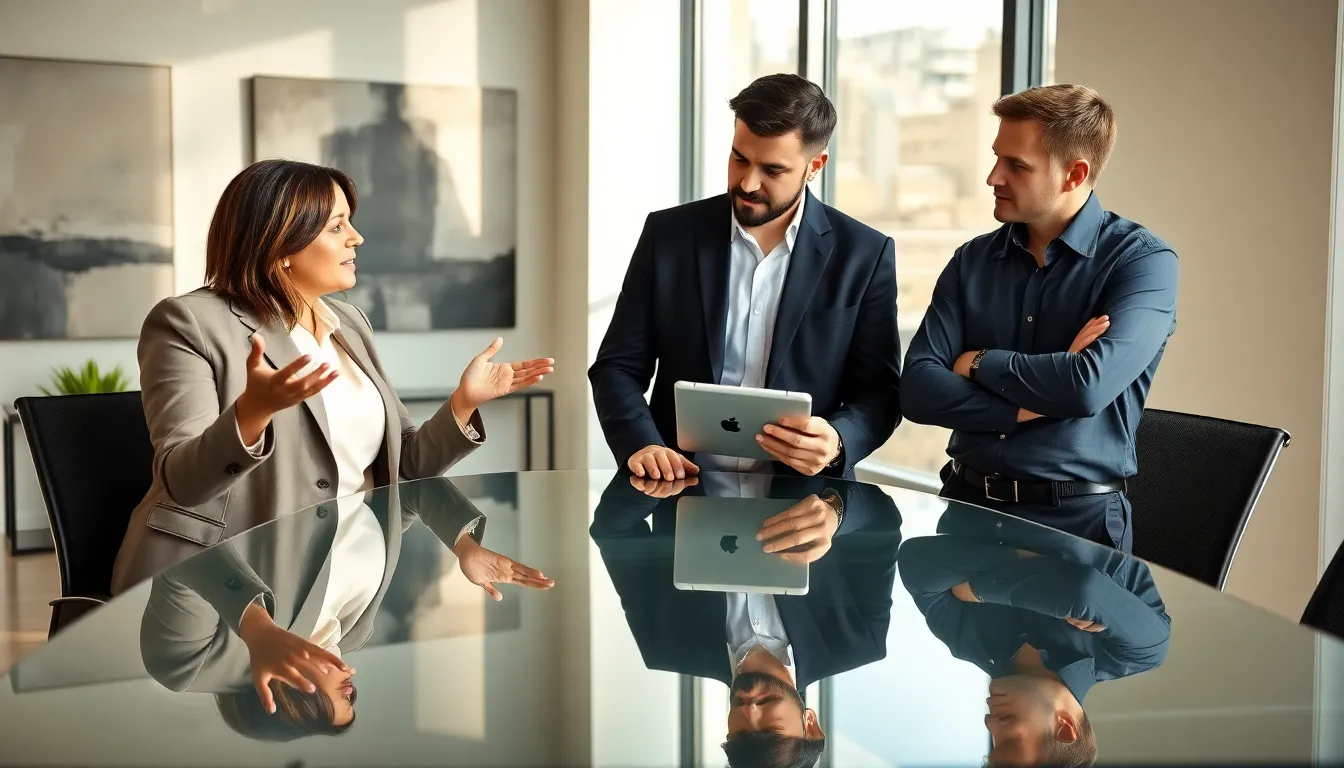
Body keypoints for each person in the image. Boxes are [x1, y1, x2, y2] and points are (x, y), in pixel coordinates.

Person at [112, 159, 554, 592]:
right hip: (219, 584)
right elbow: (184, 483)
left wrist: (463, 403)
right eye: (337, 226)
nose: (357, 239)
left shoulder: (348, 323)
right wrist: (252, 414)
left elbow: (406, 467)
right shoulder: (188, 322)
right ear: (281, 244)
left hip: (345, 569)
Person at [900, 84, 1179, 552]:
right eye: (996, 158)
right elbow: (917, 391)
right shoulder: (970, 262)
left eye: (1016, 166)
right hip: (963, 513)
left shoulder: (1143, 263)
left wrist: (977, 361)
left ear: (1075, 174)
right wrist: (1040, 398)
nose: (993, 177)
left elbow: (1084, 387)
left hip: (1079, 532)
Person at [589, 73, 901, 484]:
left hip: (801, 511)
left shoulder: (864, 254)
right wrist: (641, 444)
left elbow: (880, 392)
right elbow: (617, 367)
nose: (748, 183)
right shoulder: (669, 236)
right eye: (740, 159)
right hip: (675, 492)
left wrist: (839, 441)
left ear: (815, 166)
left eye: (773, 169)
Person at [139, 477, 554, 741]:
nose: (350, 678)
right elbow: (404, 488)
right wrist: (464, 545)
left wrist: (257, 626)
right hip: (341, 433)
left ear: (286, 704)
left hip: (256, 451)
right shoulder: (354, 628)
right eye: (353, 693)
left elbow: (183, 553)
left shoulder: (190, 664)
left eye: (341, 694)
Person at [590, 469, 903, 766]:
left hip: (682, 441)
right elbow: (884, 522)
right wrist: (835, 512)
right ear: (810, 725)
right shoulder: (859, 640)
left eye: (739, 733)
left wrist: (651, 482)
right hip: (800, 434)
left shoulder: (665, 645)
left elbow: (613, 531)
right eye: (770, 730)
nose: (750, 711)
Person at [899, 501, 1172, 766]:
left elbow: (915, 561)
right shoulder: (1140, 653)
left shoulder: (966, 642)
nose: (989, 724)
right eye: (1010, 744)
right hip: (1071, 467)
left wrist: (1044, 576)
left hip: (974, 467)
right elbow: (1083, 589)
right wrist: (974, 590)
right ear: (1064, 728)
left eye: (991, 752)